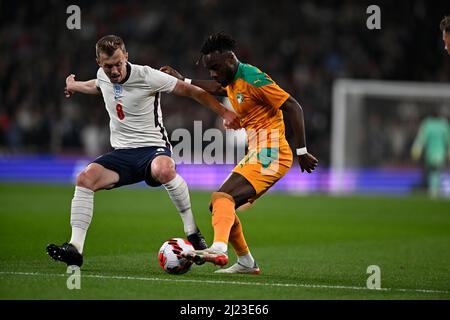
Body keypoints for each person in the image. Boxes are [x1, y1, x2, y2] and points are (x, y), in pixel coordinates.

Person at [46, 35, 241, 267]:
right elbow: (97, 85)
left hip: (153, 150)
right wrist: (74, 86)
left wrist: (224, 112)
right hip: (122, 154)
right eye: (108, 66)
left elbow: (192, 91)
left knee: (165, 168)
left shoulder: (147, 75)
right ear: (99, 62)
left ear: (126, 56)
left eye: (119, 63)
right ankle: (75, 249)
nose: (115, 70)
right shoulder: (103, 76)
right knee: (85, 178)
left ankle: (192, 232)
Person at [161, 32, 318, 274]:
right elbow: (218, 87)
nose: (212, 73)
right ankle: (246, 262)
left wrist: (302, 151)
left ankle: (219, 248)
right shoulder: (231, 79)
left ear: (230, 59)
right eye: (209, 68)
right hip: (259, 151)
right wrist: (184, 79)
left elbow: (293, 107)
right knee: (220, 205)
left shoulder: (253, 78)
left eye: (215, 67)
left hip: (272, 152)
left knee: (222, 197)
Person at [411, 110, 450, 198]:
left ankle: (433, 189)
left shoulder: (427, 124)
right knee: (436, 171)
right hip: (440, 152)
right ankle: (434, 189)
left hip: (430, 153)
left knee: (432, 171)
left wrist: (416, 149)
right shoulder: (444, 124)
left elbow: (421, 138)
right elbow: (448, 139)